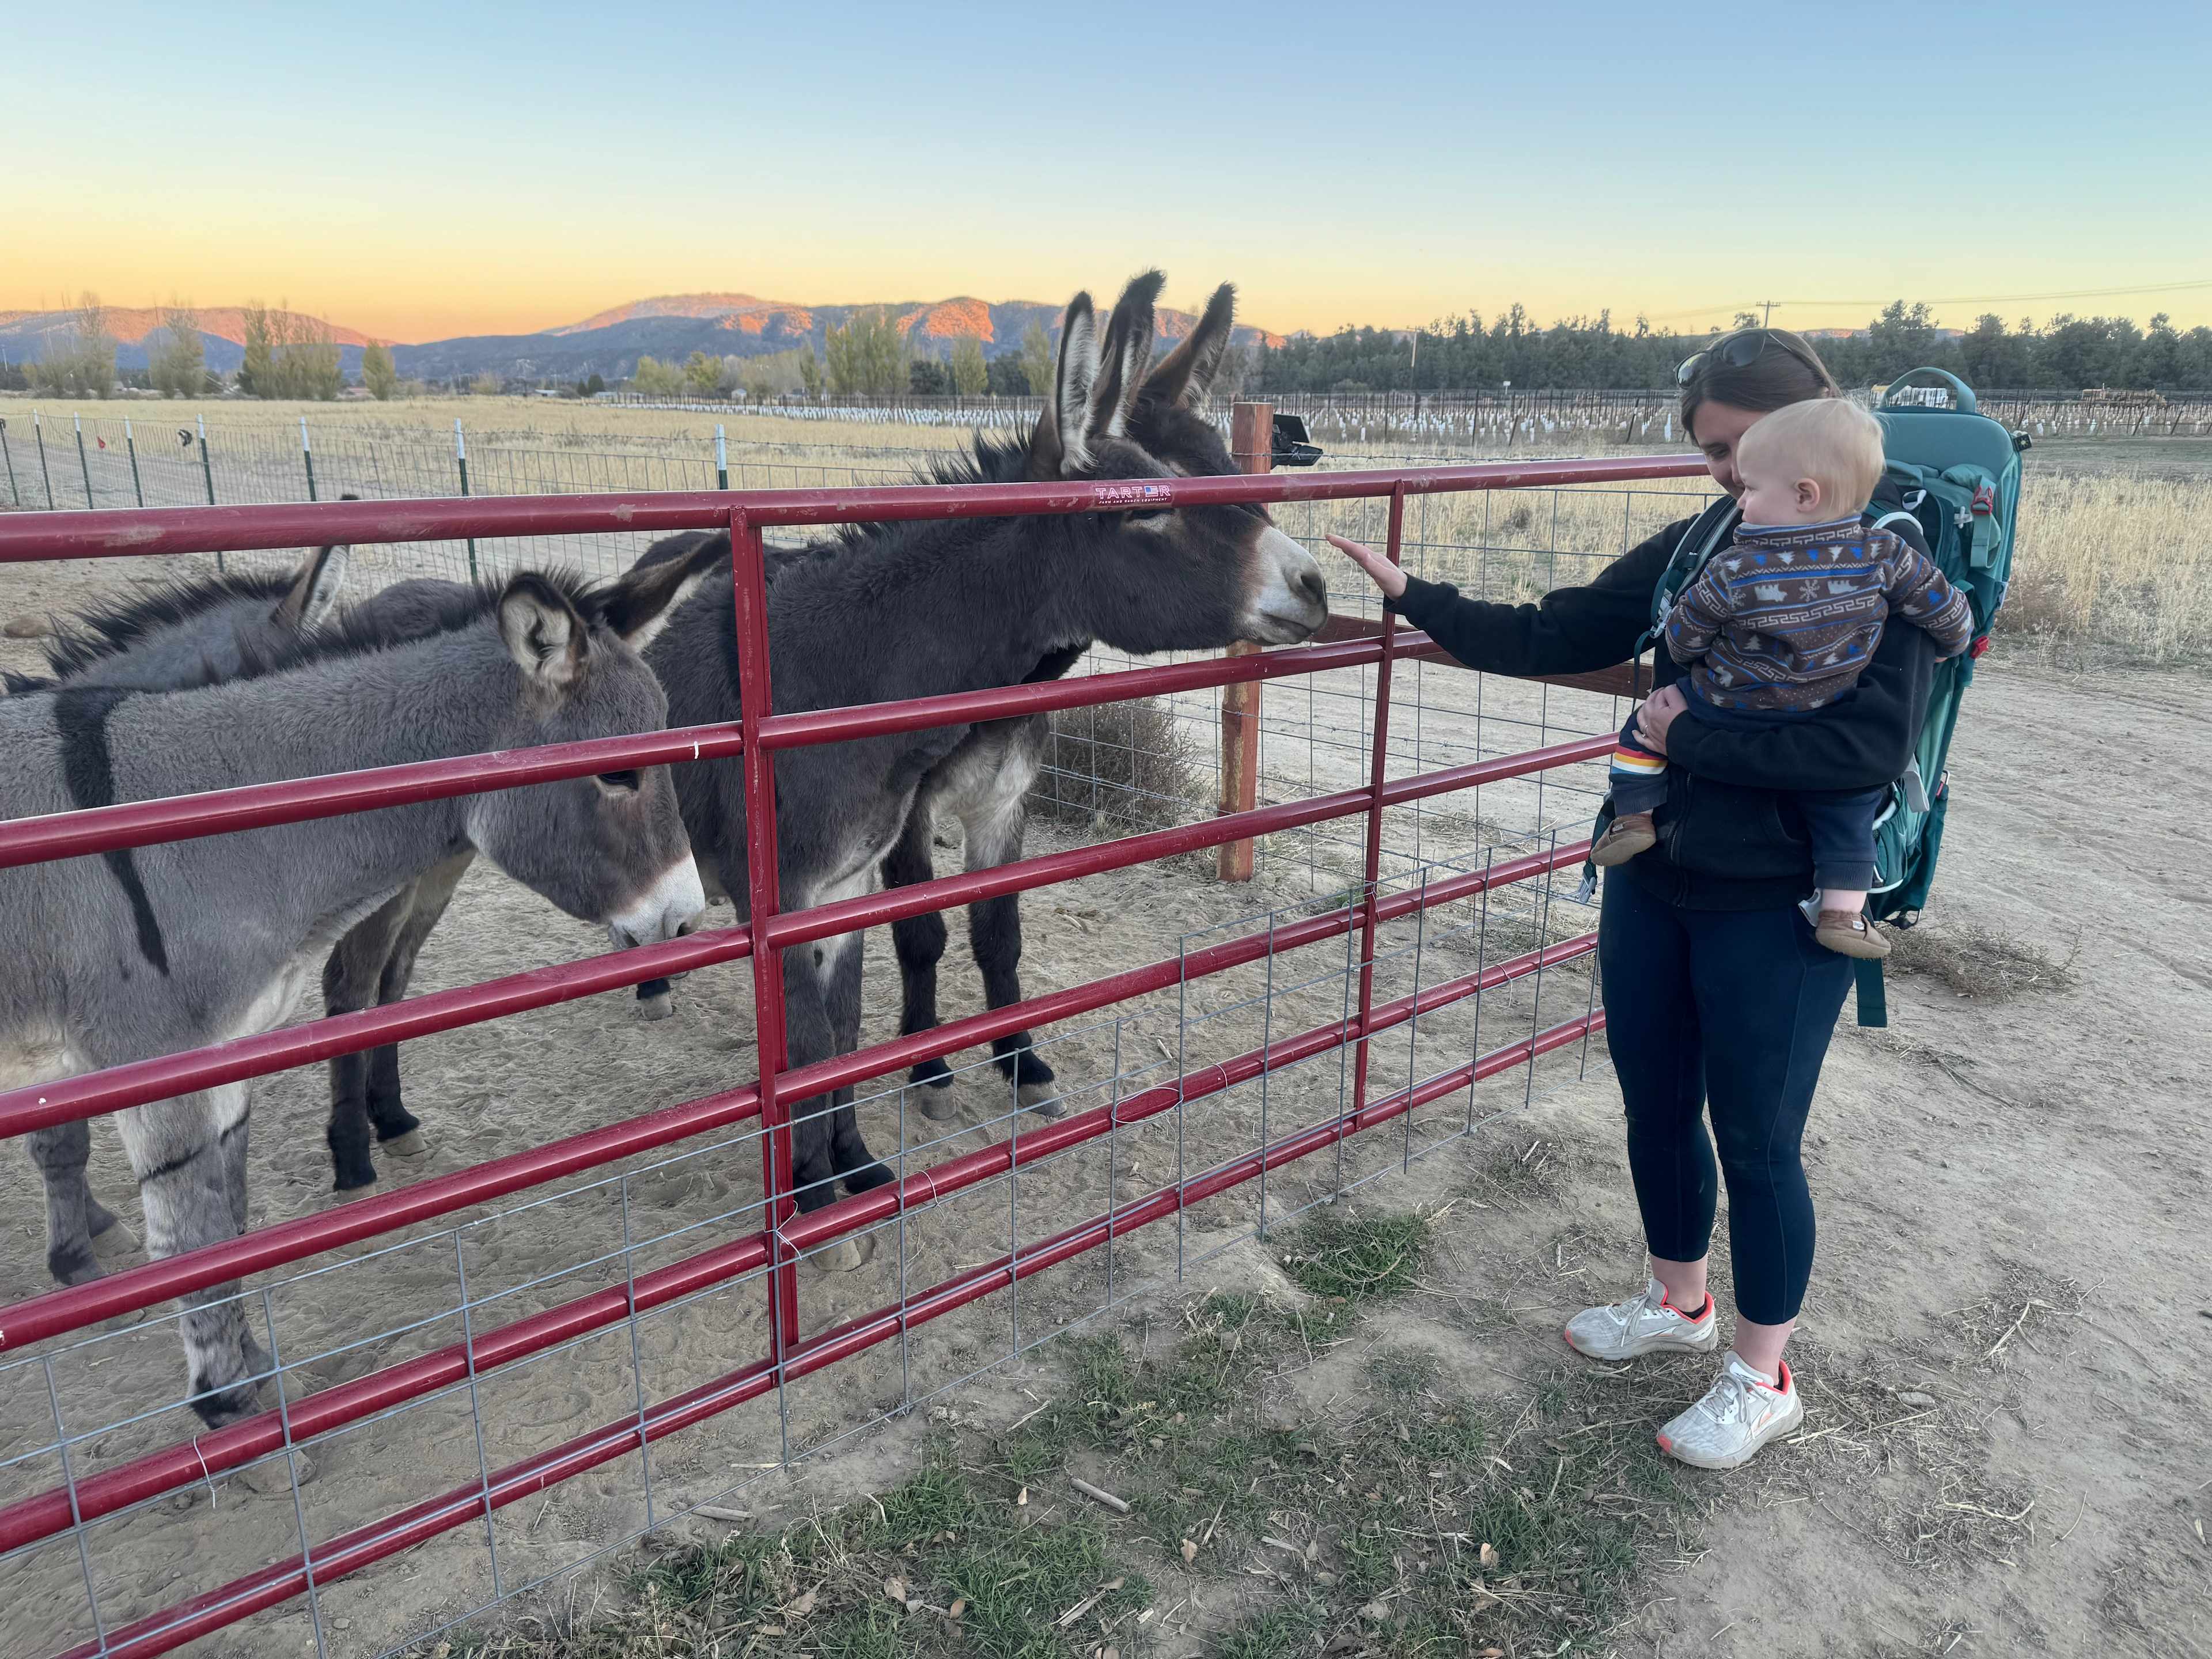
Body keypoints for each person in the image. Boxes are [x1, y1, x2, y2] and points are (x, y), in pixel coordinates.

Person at [1327, 328, 1940, 1471]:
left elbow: (1868, 745)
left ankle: (1763, 1376)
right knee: (1654, 1098)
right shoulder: (1717, 530)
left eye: (1729, 452)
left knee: (1758, 1140)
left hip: (1784, 898)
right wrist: (1419, 597)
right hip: (1654, 866)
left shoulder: (1882, 551)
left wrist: (1686, 729)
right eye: (1711, 457)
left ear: (1798, 430)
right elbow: (1566, 629)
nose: (1715, 476)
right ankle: (1679, 1303)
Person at [1593, 397, 1972, 959]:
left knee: (1645, 730)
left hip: (1730, 705)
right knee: (1849, 804)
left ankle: (1635, 815)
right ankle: (1842, 912)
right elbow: (1948, 611)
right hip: (1824, 709)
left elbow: (1685, 633)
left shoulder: (1736, 566)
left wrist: (1686, 655)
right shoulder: (1887, 554)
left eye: (1752, 489)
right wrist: (1951, 645)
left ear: (1803, 495)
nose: (1740, 501)